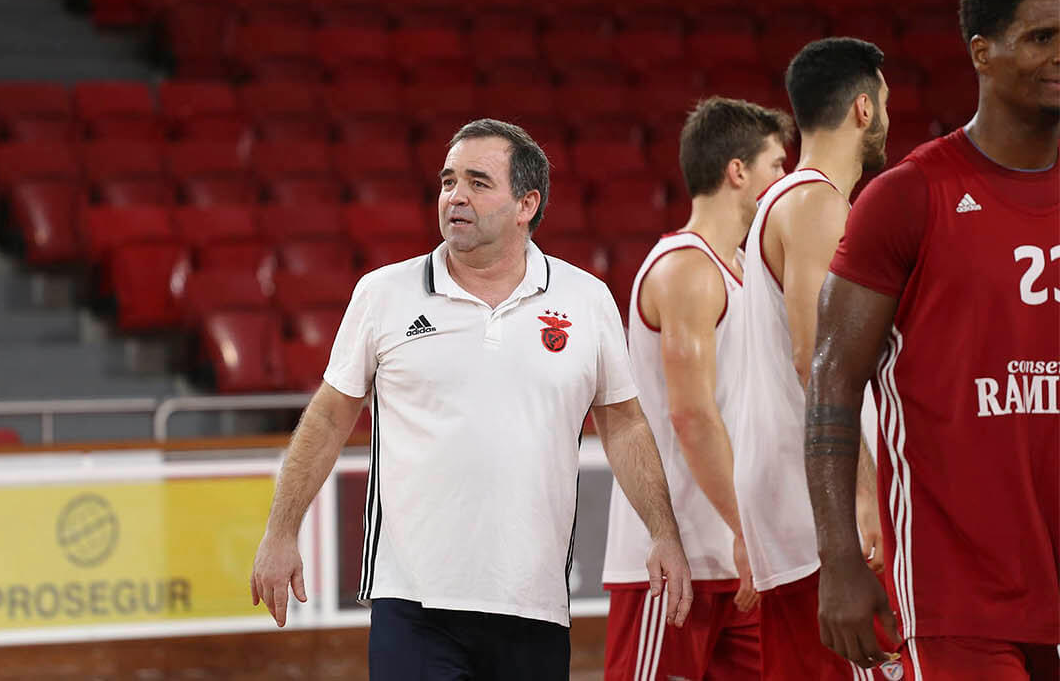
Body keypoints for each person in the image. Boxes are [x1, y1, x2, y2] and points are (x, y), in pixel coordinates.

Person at [250, 118, 693, 680]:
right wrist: (281, 530)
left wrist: (664, 533)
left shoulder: (587, 300)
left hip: (534, 603)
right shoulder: (383, 294)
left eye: (478, 183)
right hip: (414, 601)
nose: (455, 196)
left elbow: (624, 424)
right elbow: (330, 417)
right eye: (448, 181)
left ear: (527, 204)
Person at [807, 0, 1059, 680]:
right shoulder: (910, 196)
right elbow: (831, 382)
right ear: (982, 53)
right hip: (958, 587)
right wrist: (839, 560)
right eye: (1041, 37)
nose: (1059, 54)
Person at [602, 97, 793, 681]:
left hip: (736, 556)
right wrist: (746, 528)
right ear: (738, 172)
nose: (784, 179)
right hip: (675, 556)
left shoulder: (746, 268)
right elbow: (692, 416)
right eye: (776, 166)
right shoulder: (686, 268)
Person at [731, 37, 891, 680]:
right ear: (863, 108)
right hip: (816, 497)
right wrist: (862, 492)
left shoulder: (785, 201)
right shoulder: (817, 204)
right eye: (884, 104)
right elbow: (815, 360)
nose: (887, 118)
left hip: (787, 484)